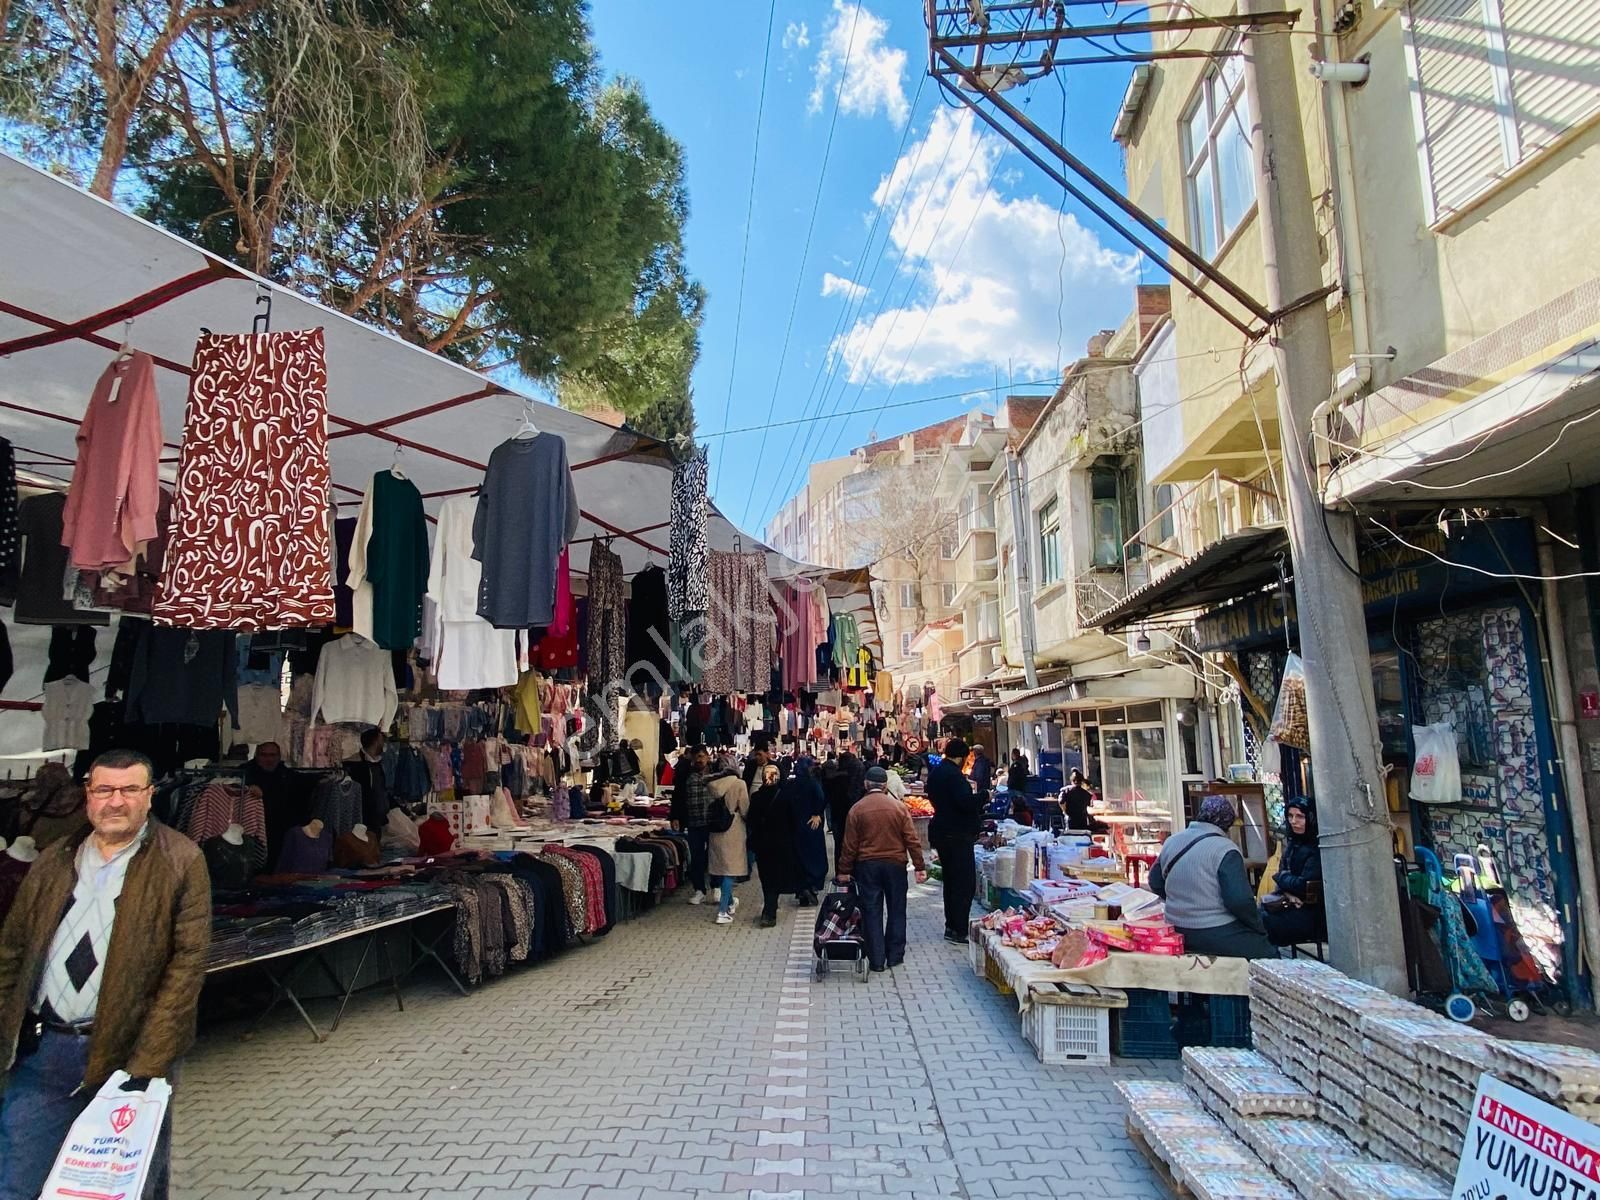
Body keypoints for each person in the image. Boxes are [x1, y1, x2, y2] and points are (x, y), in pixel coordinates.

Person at [0, 748, 211, 1200]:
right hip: (44, 1050)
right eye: (104, 790)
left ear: (149, 795)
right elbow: (12, 952)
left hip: (127, 1053)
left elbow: (187, 965)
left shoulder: (180, 860)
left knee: (120, 1186)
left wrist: (148, 1062)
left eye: (129, 790)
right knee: (18, 1181)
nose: (116, 801)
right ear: (88, 795)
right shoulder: (55, 860)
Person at [1148, 795, 1275, 959]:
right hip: (1215, 930)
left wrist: (1179, 902)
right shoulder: (1226, 849)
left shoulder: (1172, 841)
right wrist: (1257, 925)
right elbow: (1239, 900)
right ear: (1227, 823)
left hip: (1175, 926)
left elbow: (1155, 881)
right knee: (1268, 954)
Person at [837, 767, 928, 972]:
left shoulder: (857, 809)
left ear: (866, 784)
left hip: (867, 867)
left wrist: (844, 870)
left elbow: (849, 845)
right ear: (885, 785)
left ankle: (877, 960)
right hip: (896, 865)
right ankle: (895, 955)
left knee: (871, 911)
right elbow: (912, 839)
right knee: (897, 909)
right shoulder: (899, 808)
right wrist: (919, 866)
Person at [927, 738, 981, 945]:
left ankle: (951, 926)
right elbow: (964, 803)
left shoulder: (937, 772)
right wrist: (984, 797)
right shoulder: (954, 776)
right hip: (957, 835)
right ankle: (959, 929)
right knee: (963, 883)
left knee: (950, 881)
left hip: (942, 832)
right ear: (961, 757)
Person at [1262, 799, 1325, 947]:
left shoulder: (1316, 848)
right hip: (1291, 903)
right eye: (1290, 816)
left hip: (1313, 914)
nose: (1293, 821)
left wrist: (1281, 877)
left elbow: (1305, 885)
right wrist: (1288, 893)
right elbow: (1286, 875)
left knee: (1264, 923)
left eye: (1300, 816)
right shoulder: (1293, 843)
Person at [747, 764, 799, 927]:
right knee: (776, 875)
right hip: (781, 843)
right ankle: (770, 909)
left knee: (766, 876)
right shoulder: (785, 796)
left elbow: (751, 821)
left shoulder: (756, 797)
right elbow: (793, 821)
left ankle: (769, 909)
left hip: (762, 843)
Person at [706, 753, 751, 925]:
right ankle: (722, 911)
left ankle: (731, 902)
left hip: (716, 830)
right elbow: (745, 809)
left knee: (722, 868)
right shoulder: (739, 784)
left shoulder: (711, 784)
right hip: (733, 830)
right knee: (730, 871)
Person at [670, 746, 713, 903]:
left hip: (712, 822)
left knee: (714, 856)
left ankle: (716, 887)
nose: (699, 760)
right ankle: (699, 890)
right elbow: (677, 796)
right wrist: (675, 817)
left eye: (701, 756)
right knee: (696, 857)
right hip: (694, 822)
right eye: (696, 757)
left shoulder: (715, 773)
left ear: (707, 757)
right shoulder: (685, 774)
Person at [782, 759, 828, 906]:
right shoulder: (812, 783)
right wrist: (817, 813)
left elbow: (784, 804)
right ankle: (812, 886)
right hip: (811, 826)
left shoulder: (790, 785)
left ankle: (801, 890)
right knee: (815, 858)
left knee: (798, 859)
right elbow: (821, 798)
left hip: (794, 827)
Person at [344, 727, 391, 832]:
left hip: (377, 821)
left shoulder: (378, 764)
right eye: (382, 740)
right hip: (363, 822)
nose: (384, 743)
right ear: (375, 742)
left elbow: (381, 790)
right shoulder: (354, 765)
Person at [1061, 769, 1104, 833]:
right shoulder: (1087, 794)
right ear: (1081, 782)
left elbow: (1061, 802)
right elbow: (1088, 806)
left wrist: (1064, 811)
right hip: (1082, 820)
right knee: (1082, 834)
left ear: (1072, 781)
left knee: (1071, 834)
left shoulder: (1066, 791)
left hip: (1071, 820)